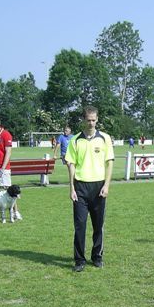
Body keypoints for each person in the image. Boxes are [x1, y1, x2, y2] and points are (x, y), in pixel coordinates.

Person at [66, 106, 115, 272]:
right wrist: (72, 187)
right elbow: (71, 164)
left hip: (99, 186)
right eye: (88, 120)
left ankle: (97, 257)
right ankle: (79, 260)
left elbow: (110, 163)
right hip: (80, 187)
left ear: (97, 119)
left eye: (94, 120)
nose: (91, 123)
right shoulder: (75, 140)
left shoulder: (105, 138)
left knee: (98, 225)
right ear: (83, 120)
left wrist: (107, 185)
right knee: (80, 225)